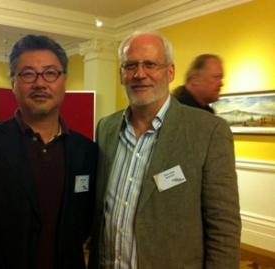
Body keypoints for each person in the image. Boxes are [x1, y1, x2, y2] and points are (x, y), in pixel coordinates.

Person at [0, 35, 97, 269]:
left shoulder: (86, 151)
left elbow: (83, 224)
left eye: (50, 73)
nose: (40, 83)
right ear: (13, 82)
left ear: (64, 80)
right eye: (27, 73)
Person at [89, 31, 241, 269]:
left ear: (170, 72)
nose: (140, 74)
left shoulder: (209, 132)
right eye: (130, 66)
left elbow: (223, 227)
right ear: (121, 75)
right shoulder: (106, 128)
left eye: (150, 64)